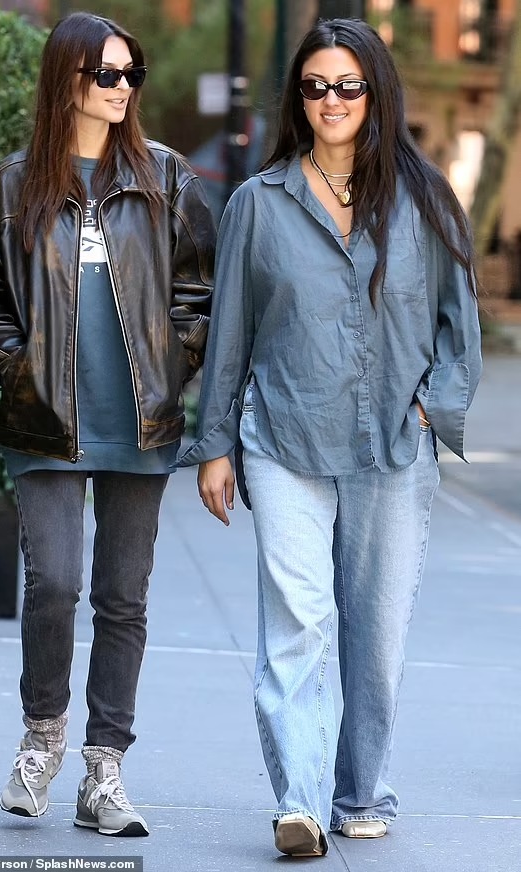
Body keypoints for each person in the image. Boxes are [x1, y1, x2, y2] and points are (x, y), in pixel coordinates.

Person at [178, 17, 481, 859]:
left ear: (377, 92)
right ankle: (301, 800)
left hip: (392, 446)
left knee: (374, 639)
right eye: (316, 86)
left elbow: (462, 330)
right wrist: (214, 446)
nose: (333, 100)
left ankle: (357, 792)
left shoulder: (425, 201)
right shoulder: (258, 205)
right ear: (298, 98)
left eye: (349, 85)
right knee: (298, 624)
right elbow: (229, 330)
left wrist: (432, 407)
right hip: (284, 439)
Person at [0, 11, 215, 837]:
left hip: (140, 423)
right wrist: (18, 366)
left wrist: (174, 364)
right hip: (44, 422)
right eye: (106, 74)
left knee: (123, 599)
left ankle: (106, 771)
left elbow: (200, 294)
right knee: (55, 583)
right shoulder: (12, 185)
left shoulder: (167, 179)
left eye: (131, 74)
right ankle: (42, 739)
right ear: (67, 79)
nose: (123, 88)